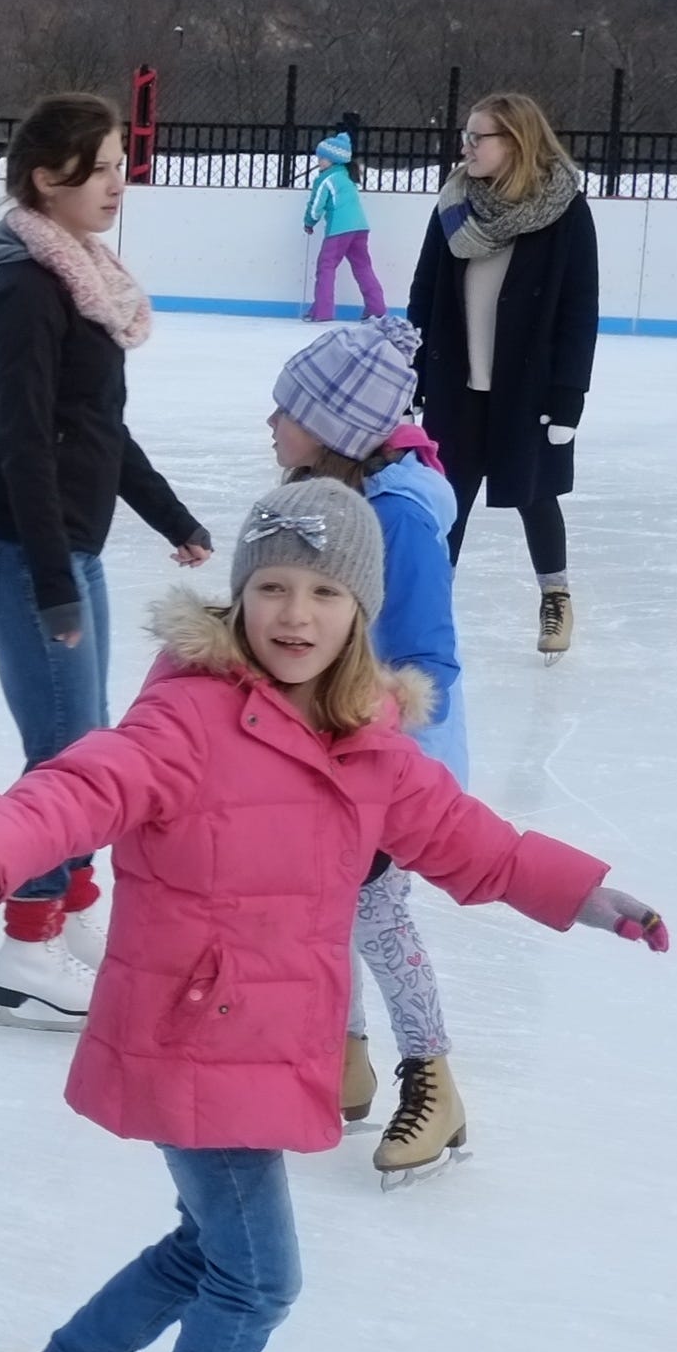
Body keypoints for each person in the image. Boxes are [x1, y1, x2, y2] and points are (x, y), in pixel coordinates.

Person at [0, 476, 666, 1352]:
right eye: (271, 588)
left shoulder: (369, 742)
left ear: (360, 611)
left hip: (265, 1042)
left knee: (212, 1252)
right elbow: (73, 791)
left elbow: (473, 845)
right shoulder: (188, 719)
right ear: (238, 596)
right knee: (259, 1280)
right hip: (192, 1033)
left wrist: (589, 896)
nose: (294, 616)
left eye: (321, 593)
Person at [0, 91, 213, 1035]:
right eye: (100, 166)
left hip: (64, 549)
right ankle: (27, 947)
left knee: (88, 750)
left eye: (118, 162)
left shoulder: (82, 278)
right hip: (21, 552)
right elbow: (22, 441)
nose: (118, 181)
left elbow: (100, 430)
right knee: (64, 761)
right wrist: (56, 584)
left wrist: (167, 516)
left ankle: (73, 919)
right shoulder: (27, 292)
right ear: (44, 178)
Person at [266, 318, 476, 1181]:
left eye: (289, 408)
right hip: (335, 751)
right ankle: (342, 1062)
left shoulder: (396, 516)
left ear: (339, 428)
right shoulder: (340, 504)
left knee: (377, 915)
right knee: (332, 911)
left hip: (392, 763)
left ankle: (435, 1080)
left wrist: (370, 747)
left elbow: (428, 659)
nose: (272, 422)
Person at [406, 90, 600, 655]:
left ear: (515, 143)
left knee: (535, 494)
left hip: (528, 388)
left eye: (477, 137)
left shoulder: (564, 211)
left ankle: (555, 597)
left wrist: (569, 397)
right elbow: (425, 292)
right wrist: (411, 372)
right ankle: (428, 611)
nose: (465, 146)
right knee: (446, 502)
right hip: (456, 384)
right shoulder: (453, 203)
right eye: (465, 135)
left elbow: (578, 308)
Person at [299, 128, 378, 322]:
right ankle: (377, 309)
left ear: (333, 159)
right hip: (360, 228)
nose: (319, 161)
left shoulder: (325, 179)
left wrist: (309, 222)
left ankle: (322, 312)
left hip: (339, 229)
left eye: (322, 158)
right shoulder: (346, 177)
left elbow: (316, 205)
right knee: (363, 267)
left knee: (325, 267)